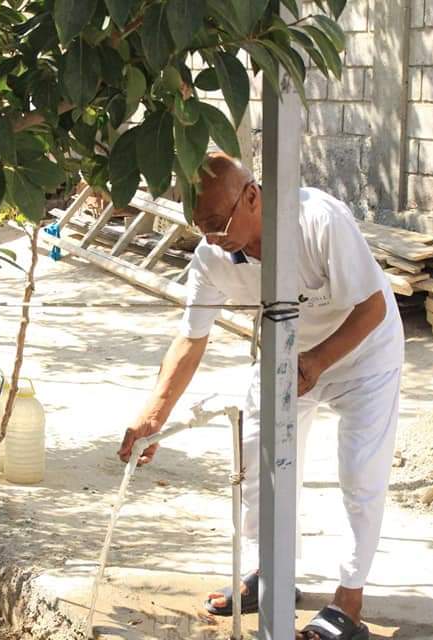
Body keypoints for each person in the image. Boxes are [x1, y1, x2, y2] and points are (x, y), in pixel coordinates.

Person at [117, 153, 404, 640]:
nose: (213, 237)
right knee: (257, 460)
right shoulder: (211, 256)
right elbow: (191, 338)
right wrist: (154, 415)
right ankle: (271, 572)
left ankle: (349, 600)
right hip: (286, 357)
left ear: (252, 195)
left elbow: (372, 307)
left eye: (218, 222)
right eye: (202, 227)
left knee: (360, 472)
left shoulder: (318, 219)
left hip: (364, 353)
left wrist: (316, 362)